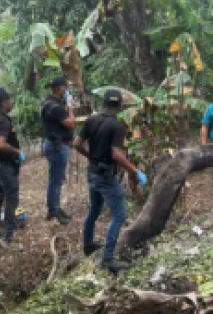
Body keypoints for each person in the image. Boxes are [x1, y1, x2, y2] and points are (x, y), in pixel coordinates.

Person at [74, 90, 147, 274]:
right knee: (120, 215)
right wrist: (136, 171)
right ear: (120, 107)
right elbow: (116, 155)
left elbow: (76, 144)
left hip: (92, 172)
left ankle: (88, 245)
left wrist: (91, 156)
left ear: (104, 104)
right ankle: (108, 258)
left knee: (95, 210)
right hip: (105, 176)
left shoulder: (91, 120)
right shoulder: (117, 126)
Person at [0, 87, 25, 250]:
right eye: (9, 99)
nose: (12, 102)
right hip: (6, 166)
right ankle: (9, 237)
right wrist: (17, 151)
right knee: (11, 198)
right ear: (3, 103)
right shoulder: (2, 120)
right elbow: (1, 144)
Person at [41, 76, 76, 225]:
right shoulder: (53, 106)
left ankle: (55, 208)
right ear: (59, 88)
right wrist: (70, 106)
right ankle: (53, 212)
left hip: (58, 145)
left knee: (58, 179)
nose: (67, 90)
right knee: (56, 180)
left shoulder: (53, 104)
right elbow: (71, 124)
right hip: (57, 146)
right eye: (65, 87)